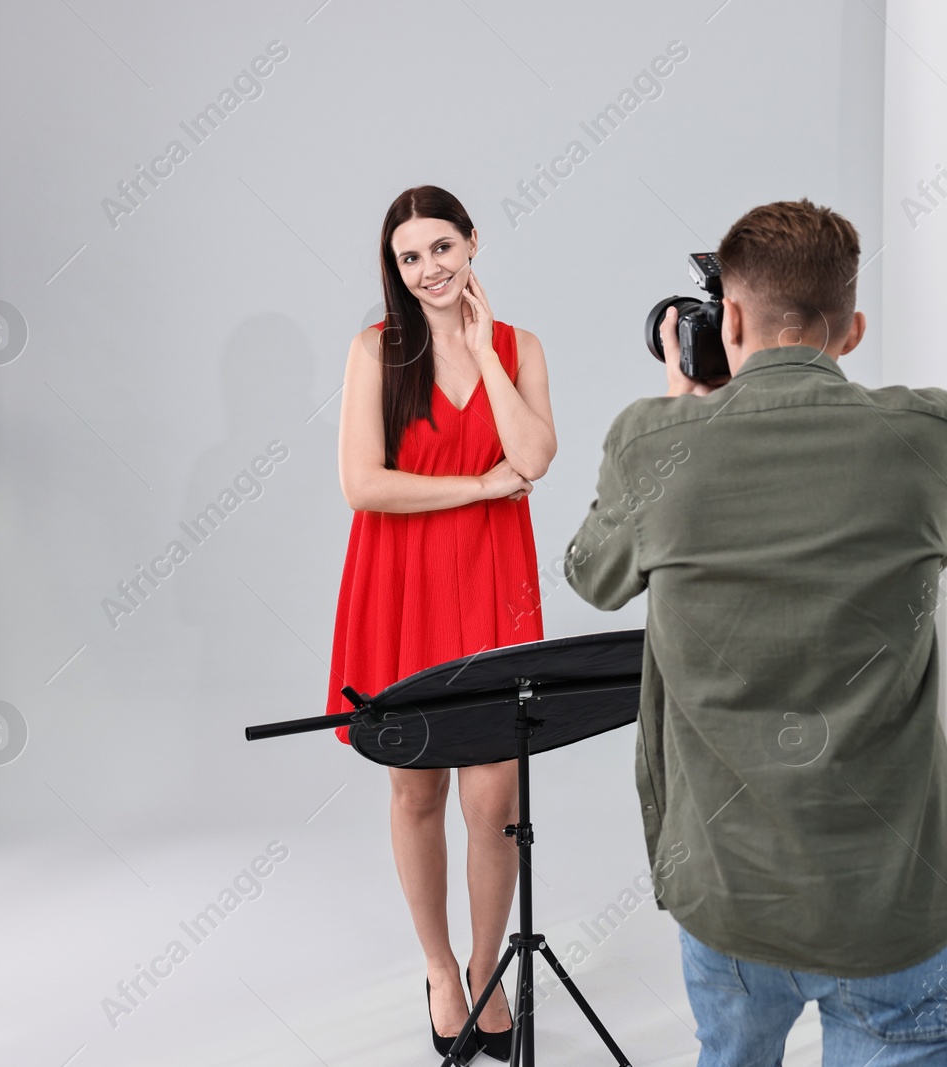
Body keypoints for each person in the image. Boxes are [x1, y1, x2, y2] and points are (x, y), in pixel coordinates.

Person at [563, 198, 947, 1066]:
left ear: (731, 319)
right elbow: (938, 540)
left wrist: (681, 408)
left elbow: (591, 575)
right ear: (853, 328)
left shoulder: (652, 444)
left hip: (732, 890)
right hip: (895, 898)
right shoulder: (933, 434)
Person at [329, 184, 556, 1061]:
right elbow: (363, 484)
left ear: (473, 244)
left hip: (497, 585)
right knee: (416, 786)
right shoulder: (375, 352)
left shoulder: (521, 346)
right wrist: (478, 487)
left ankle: (488, 965)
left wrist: (485, 352)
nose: (427, 270)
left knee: (496, 799)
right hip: (403, 586)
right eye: (408, 257)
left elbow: (533, 456)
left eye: (440, 249)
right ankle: (437, 969)